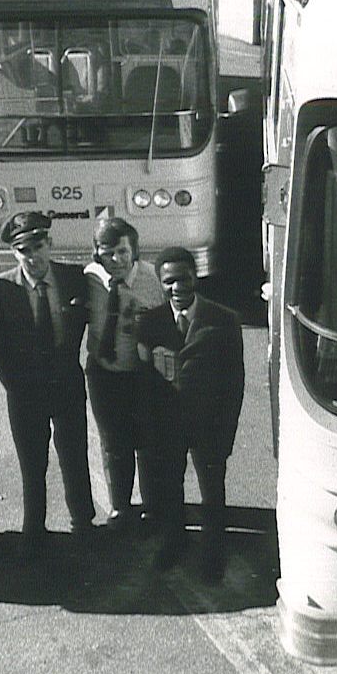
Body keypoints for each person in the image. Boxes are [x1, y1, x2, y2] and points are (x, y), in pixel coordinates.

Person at [0, 211, 97, 552]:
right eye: (23, 250)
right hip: (25, 391)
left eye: (38, 246)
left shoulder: (75, 279)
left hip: (67, 384)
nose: (32, 257)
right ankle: (34, 528)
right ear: (14, 254)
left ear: (50, 243)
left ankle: (83, 521)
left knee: (75, 455)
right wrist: (15, 387)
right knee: (32, 462)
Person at [136, 246, 245, 582]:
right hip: (168, 428)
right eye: (169, 281)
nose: (177, 287)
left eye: (183, 278)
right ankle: (175, 542)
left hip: (209, 427)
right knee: (170, 489)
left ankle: (213, 553)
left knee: (212, 493)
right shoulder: (149, 323)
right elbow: (144, 382)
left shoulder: (224, 320)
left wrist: (226, 434)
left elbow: (234, 384)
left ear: (194, 277)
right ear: (161, 284)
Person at [83, 217, 165, 533]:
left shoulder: (153, 280)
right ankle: (120, 507)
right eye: (107, 253)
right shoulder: (90, 278)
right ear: (97, 253)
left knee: (146, 442)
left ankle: (152, 507)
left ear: (134, 250)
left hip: (141, 375)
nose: (115, 260)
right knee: (113, 443)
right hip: (104, 373)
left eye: (122, 251)